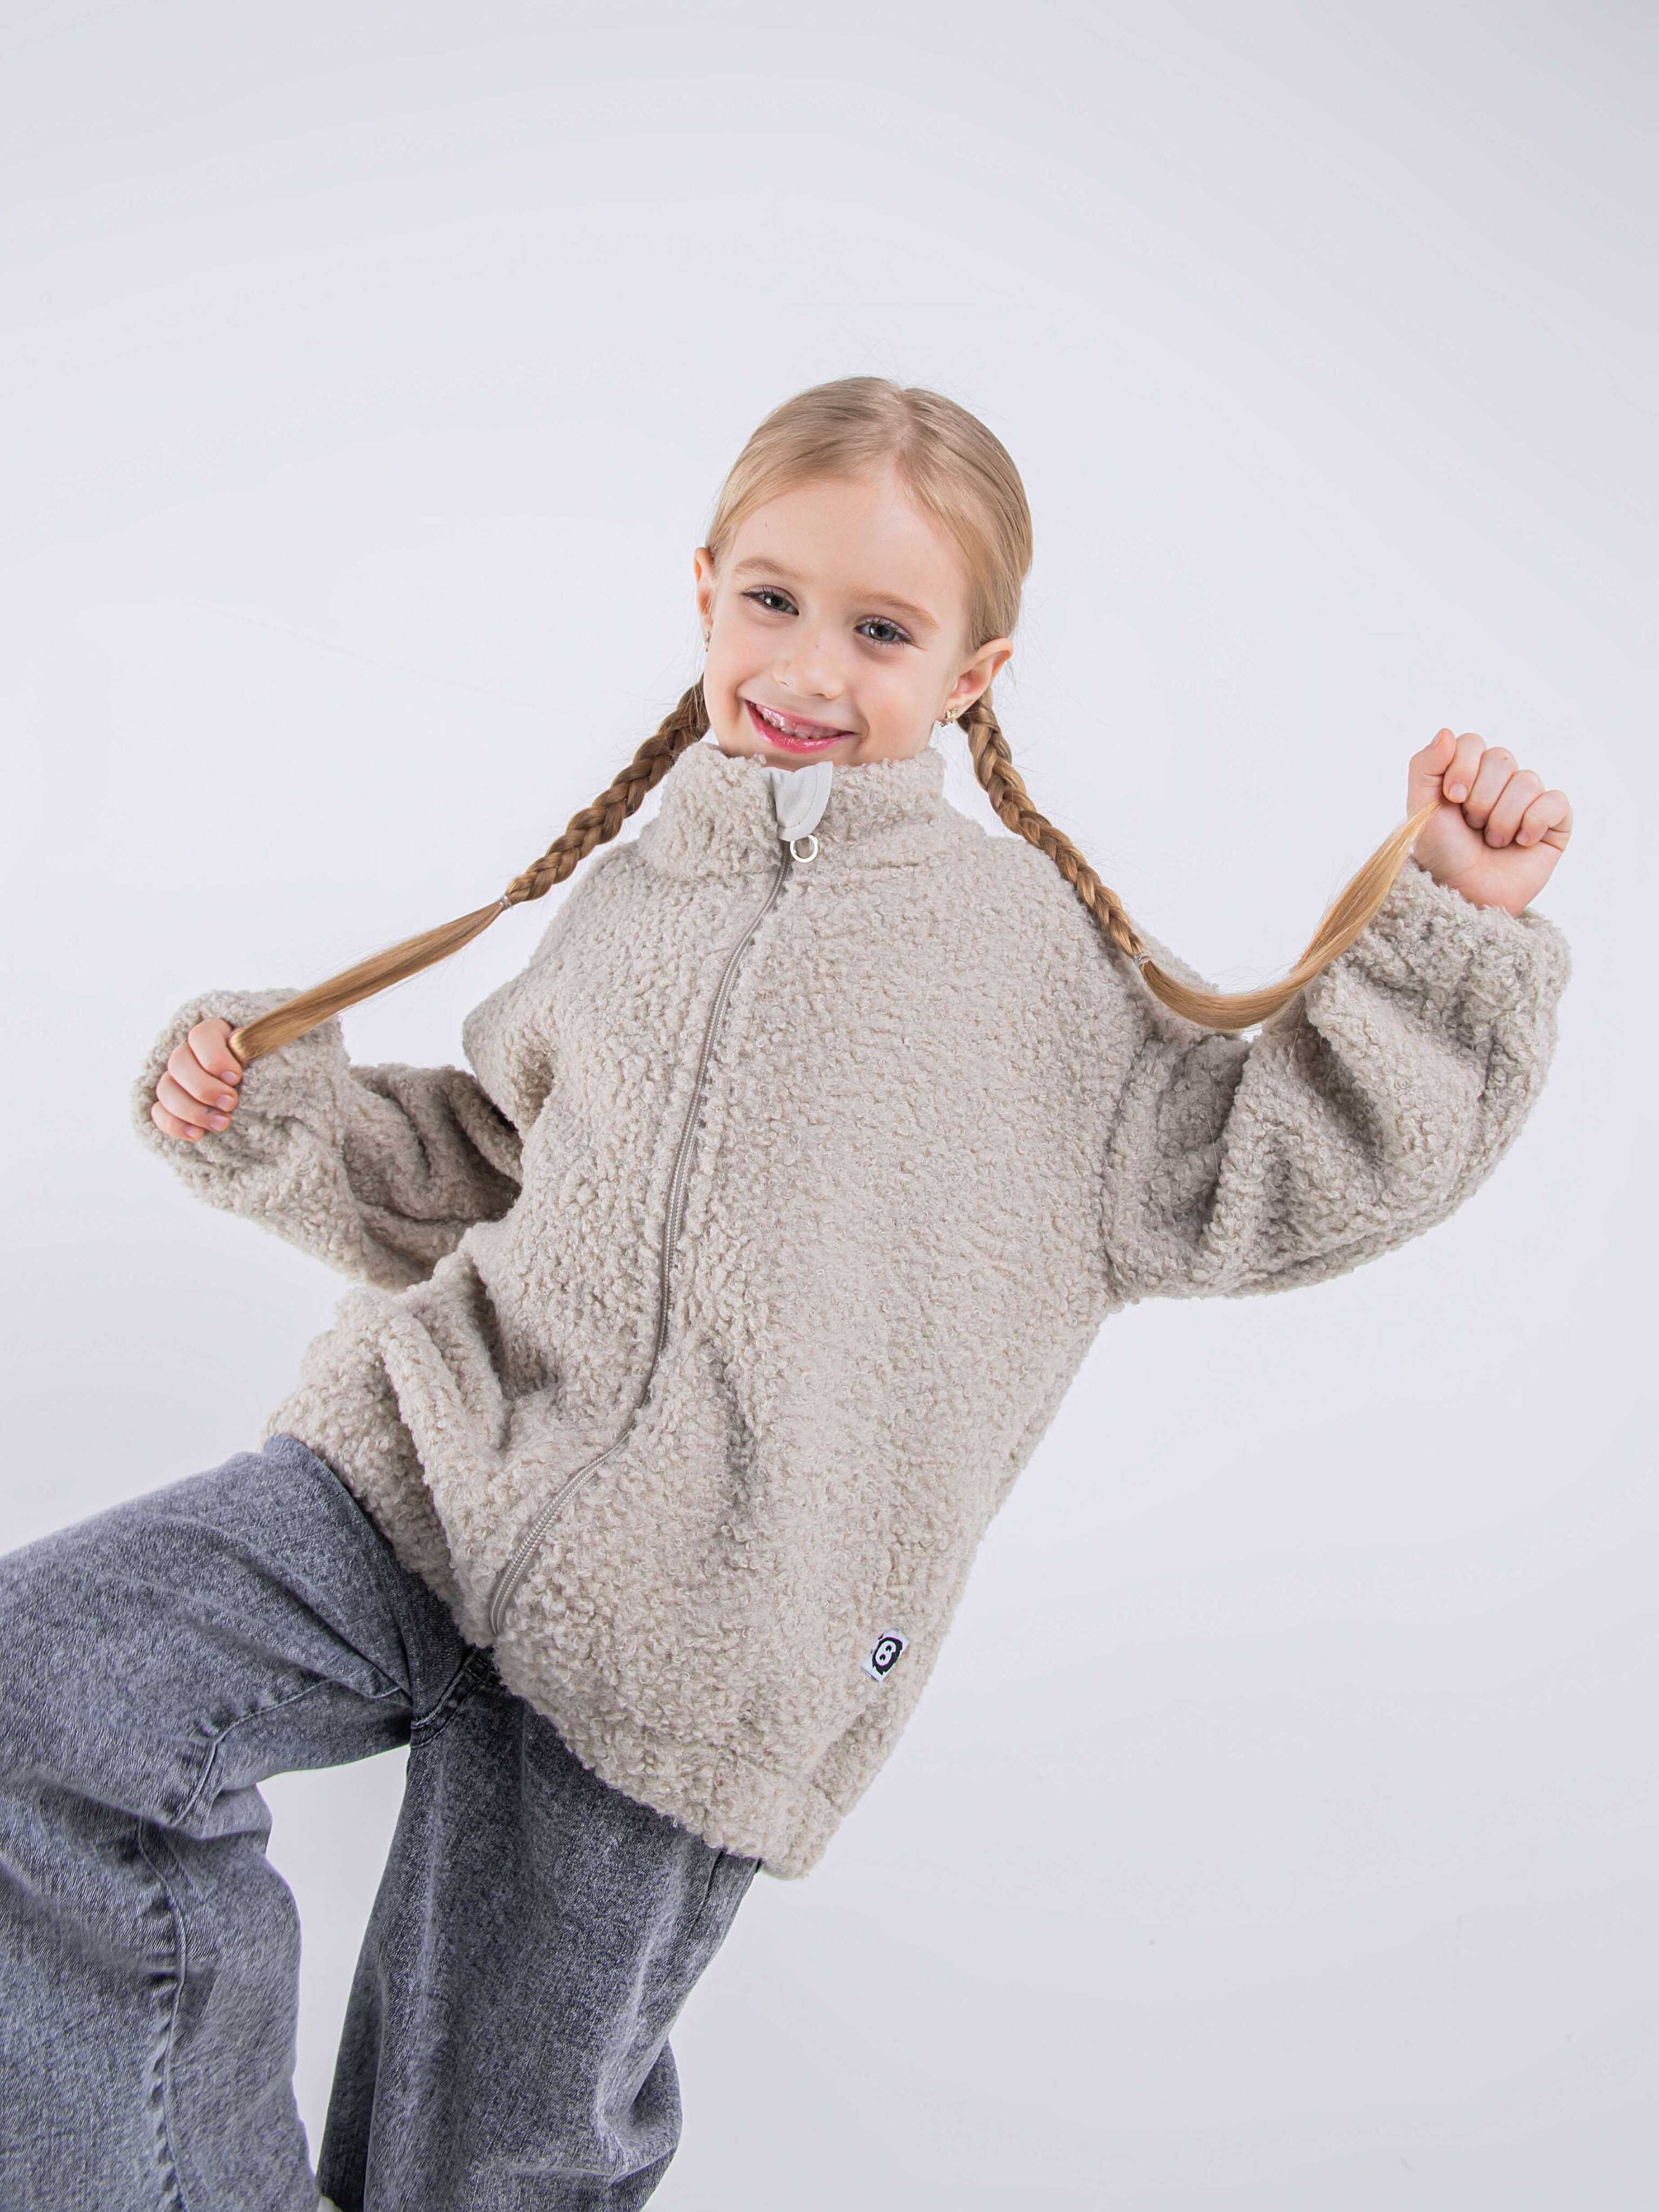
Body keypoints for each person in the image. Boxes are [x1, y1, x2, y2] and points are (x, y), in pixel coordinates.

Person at [0, 377, 1573, 2210]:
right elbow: (498, 1177)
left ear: (975, 674)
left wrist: (1449, 931)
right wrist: (285, 1114)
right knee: (48, 1704)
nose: (811, 667)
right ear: (704, 592)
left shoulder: (1036, 969)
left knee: (485, 2164)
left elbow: (1265, 1173)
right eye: (773, 600)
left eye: (882, 630)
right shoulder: (629, 901)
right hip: (423, 1468)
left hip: (708, 1631)